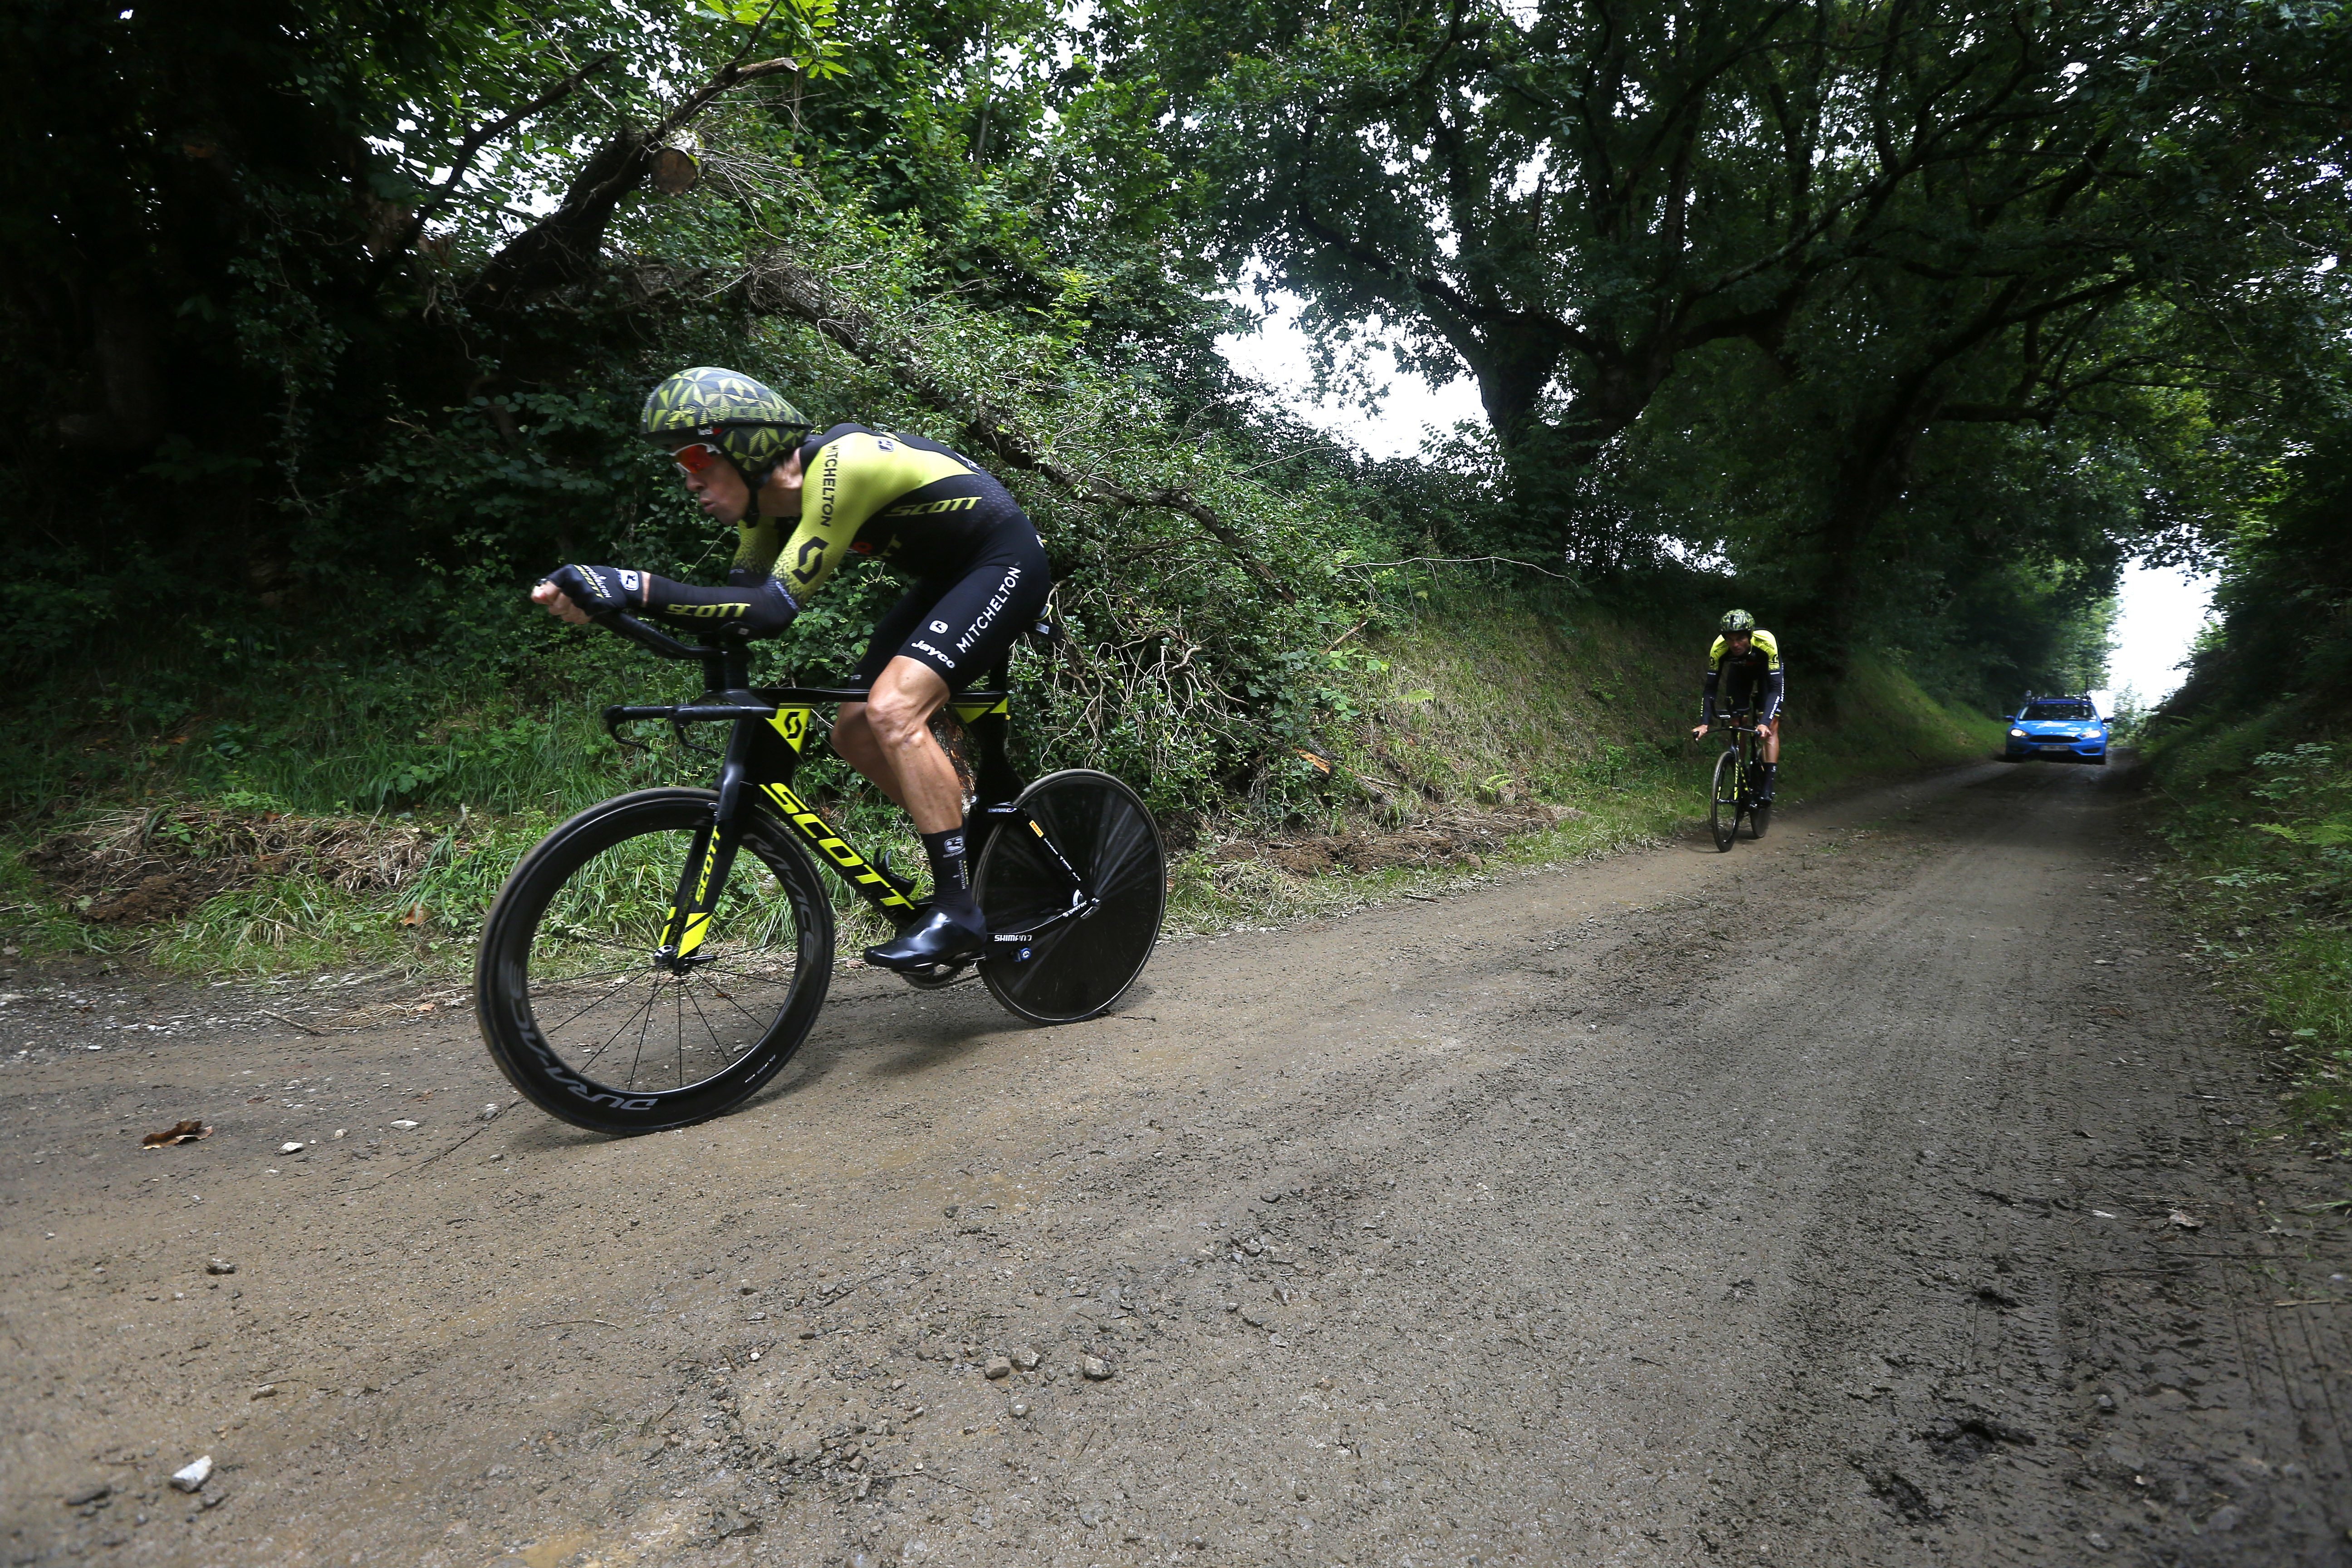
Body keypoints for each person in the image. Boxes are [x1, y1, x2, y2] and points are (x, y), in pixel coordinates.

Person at [531, 366, 1051, 971]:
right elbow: (736, 612)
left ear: (746, 445)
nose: (688, 479)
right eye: (679, 466)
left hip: (1004, 560)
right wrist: (606, 601)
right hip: (945, 580)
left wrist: (633, 585)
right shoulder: (764, 517)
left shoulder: (842, 464)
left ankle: (959, 908)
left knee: (892, 709)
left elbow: (773, 611)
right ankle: (980, 850)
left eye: (696, 459)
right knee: (853, 731)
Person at [1690, 608, 1784, 801]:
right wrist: (1704, 723)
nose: (1735, 644)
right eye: (1730, 639)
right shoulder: (1719, 648)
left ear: (1750, 635)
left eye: (1740, 639)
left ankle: (1767, 786)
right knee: (1738, 723)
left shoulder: (1767, 642)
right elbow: (1710, 689)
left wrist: (1765, 722)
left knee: (1772, 725)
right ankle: (1740, 775)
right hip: (1740, 674)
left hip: (1767, 676)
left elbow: (1776, 689)